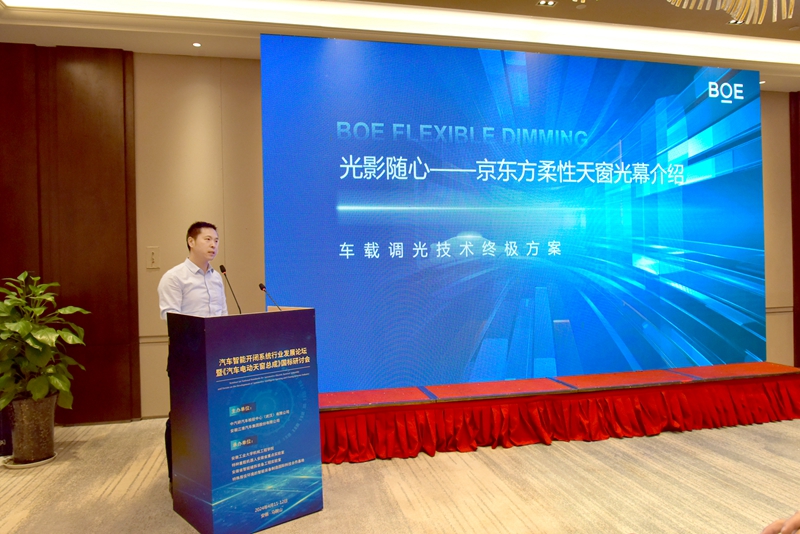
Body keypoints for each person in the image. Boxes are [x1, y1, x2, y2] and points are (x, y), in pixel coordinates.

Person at [157, 221, 228, 493]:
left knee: (214, 415)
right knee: (183, 417)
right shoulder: (174, 277)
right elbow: (171, 318)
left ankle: (211, 471)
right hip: (187, 359)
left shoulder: (217, 278)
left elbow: (222, 315)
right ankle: (177, 478)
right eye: (208, 239)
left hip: (215, 357)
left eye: (216, 240)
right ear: (191, 241)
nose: (213, 245)